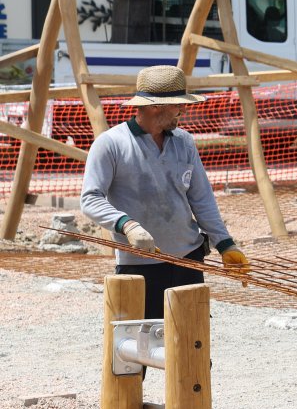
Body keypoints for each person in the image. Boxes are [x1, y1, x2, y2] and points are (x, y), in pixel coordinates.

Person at [82, 65, 249, 321]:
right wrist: (127, 225)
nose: (183, 110)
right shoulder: (111, 144)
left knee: (191, 347)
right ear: (155, 107)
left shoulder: (184, 142)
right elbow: (90, 199)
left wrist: (225, 244)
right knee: (136, 348)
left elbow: (201, 198)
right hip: (138, 266)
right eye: (177, 105)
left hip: (188, 260)